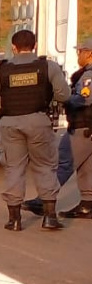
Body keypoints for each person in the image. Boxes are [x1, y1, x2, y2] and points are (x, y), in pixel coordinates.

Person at [0, 29, 71, 231]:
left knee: (14, 168)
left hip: (9, 124)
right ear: (35, 45)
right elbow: (64, 95)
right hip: (38, 121)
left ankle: (14, 220)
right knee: (45, 166)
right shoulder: (48, 66)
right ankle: (49, 217)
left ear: (13, 47)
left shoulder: (0, 70)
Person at [55, 38, 92, 219]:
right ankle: (87, 204)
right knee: (86, 167)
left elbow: (85, 99)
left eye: (80, 52)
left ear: (89, 53)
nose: (78, 55)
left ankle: (44, 200)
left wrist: (64, 97)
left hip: (82, 126)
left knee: (63, 162)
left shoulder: (88, 76)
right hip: (87, 127)